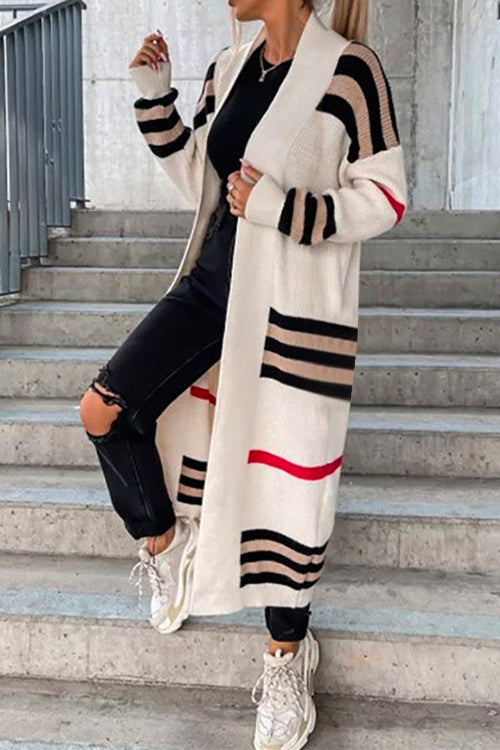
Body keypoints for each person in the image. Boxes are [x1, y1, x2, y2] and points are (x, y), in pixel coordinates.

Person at [79, 1, 406, 748]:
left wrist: (282, 207)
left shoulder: (351, 71)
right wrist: (155, 98)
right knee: (104, 409)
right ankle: (163, 541)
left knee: (286, 491)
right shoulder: (228, 69)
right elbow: (201, 179)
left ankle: (287, 658)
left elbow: (385, 196)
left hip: (291, 311)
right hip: (212, 291)